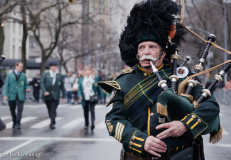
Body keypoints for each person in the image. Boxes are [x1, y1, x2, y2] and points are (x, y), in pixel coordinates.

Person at [98, 1, 220, 160]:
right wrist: (142, 141)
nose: (146, 52)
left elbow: (210, 106)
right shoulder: (123, 81)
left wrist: (184, 125)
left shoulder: (182, 76)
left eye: (152, 47)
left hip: (180, 155)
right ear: (136, 53)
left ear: (163, 52)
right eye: (141, 47)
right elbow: (113, 121)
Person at [3, 62, 30, 129]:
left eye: (22, 67)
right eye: (20, 66)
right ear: (16, 66)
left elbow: (26, 84)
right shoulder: (10, 75)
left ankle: (18, 123)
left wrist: (27, 88)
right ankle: (14, 121)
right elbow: (6, 85)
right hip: (12, 95)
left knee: (20, 110)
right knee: (12, 109)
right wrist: (5, 95)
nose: (21, 68)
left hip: (21, 95)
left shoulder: (23, 75)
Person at [40, 62, 66, 129]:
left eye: (56, 66)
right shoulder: (45, 75)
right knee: (49, 109)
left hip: (56, 95)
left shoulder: (59, 76)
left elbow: (62, 86)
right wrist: (45, 91)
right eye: (54, 66)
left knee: (53, 109)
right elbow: (42, 84)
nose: (55, 68)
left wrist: (63, 95)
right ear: (51, 67)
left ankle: (52, 123)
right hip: (47, 95)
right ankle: (52, 120)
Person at [78, 67, 104, 131]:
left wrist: (102, 97)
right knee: (85, 111)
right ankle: (86, 124)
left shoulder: (95, 78)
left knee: (92, 110)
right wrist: (80, 95)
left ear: (91, 72)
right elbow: (79, 89)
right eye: (86, 71)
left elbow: (99, 88)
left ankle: (92, 124)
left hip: (92, 97)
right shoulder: (81, 79)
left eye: (89, 70)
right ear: (84, 72)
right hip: (84, 97)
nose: (88, 72)